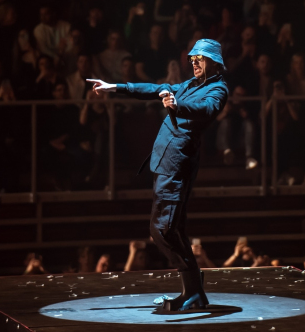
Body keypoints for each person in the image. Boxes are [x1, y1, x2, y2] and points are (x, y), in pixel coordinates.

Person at [88, 39, 229, 312]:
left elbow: (208, 109)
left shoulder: (217, 88)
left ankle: (193, 289)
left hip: (177, 166)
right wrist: (114, 87)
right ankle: (194, 291)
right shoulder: (189, 84)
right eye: (192, 58)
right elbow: (155, 88)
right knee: (172, 230)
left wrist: (177, 106)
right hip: (165, 164)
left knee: (162, 230)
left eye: (200, 58)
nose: (194, 62)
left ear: (214, 62)